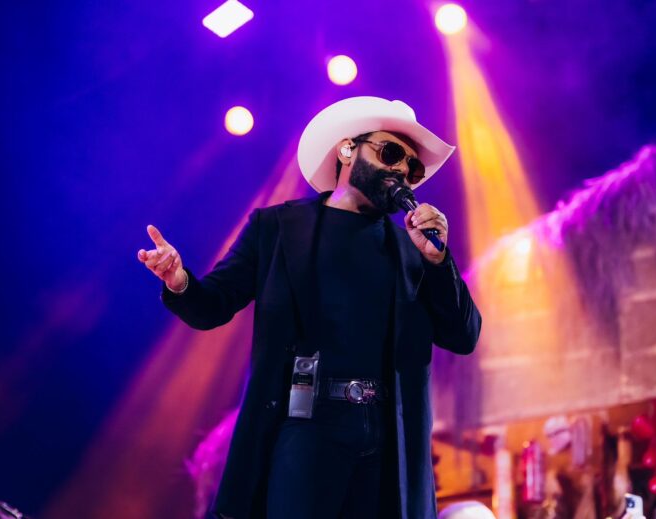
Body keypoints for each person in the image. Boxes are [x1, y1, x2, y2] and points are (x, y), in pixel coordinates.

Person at [138, 96, 482, 519]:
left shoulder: (413, 250)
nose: (401, 172)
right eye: (391, 153)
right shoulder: (277, 228)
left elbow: (464, 336)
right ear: (347, 149)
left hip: (388, 433)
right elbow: (212, 306)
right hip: (306, 423)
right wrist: (179, 280)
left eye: (412, 169)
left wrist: (439, 262)